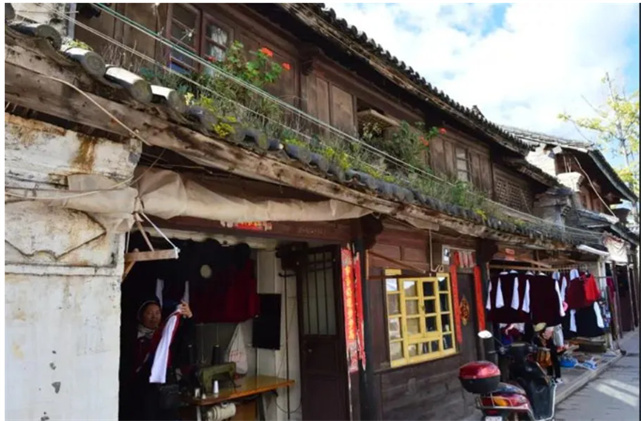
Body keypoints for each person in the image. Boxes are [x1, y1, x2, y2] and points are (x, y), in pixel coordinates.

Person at [121, 298, 194, 420]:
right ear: (141, 316)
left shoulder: (165, 335)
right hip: (142, 392)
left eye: (157, 313)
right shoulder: (131, 337)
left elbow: (185, 337)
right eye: (149, 313)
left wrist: (189, 317)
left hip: (165, 389)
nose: (154, 317)